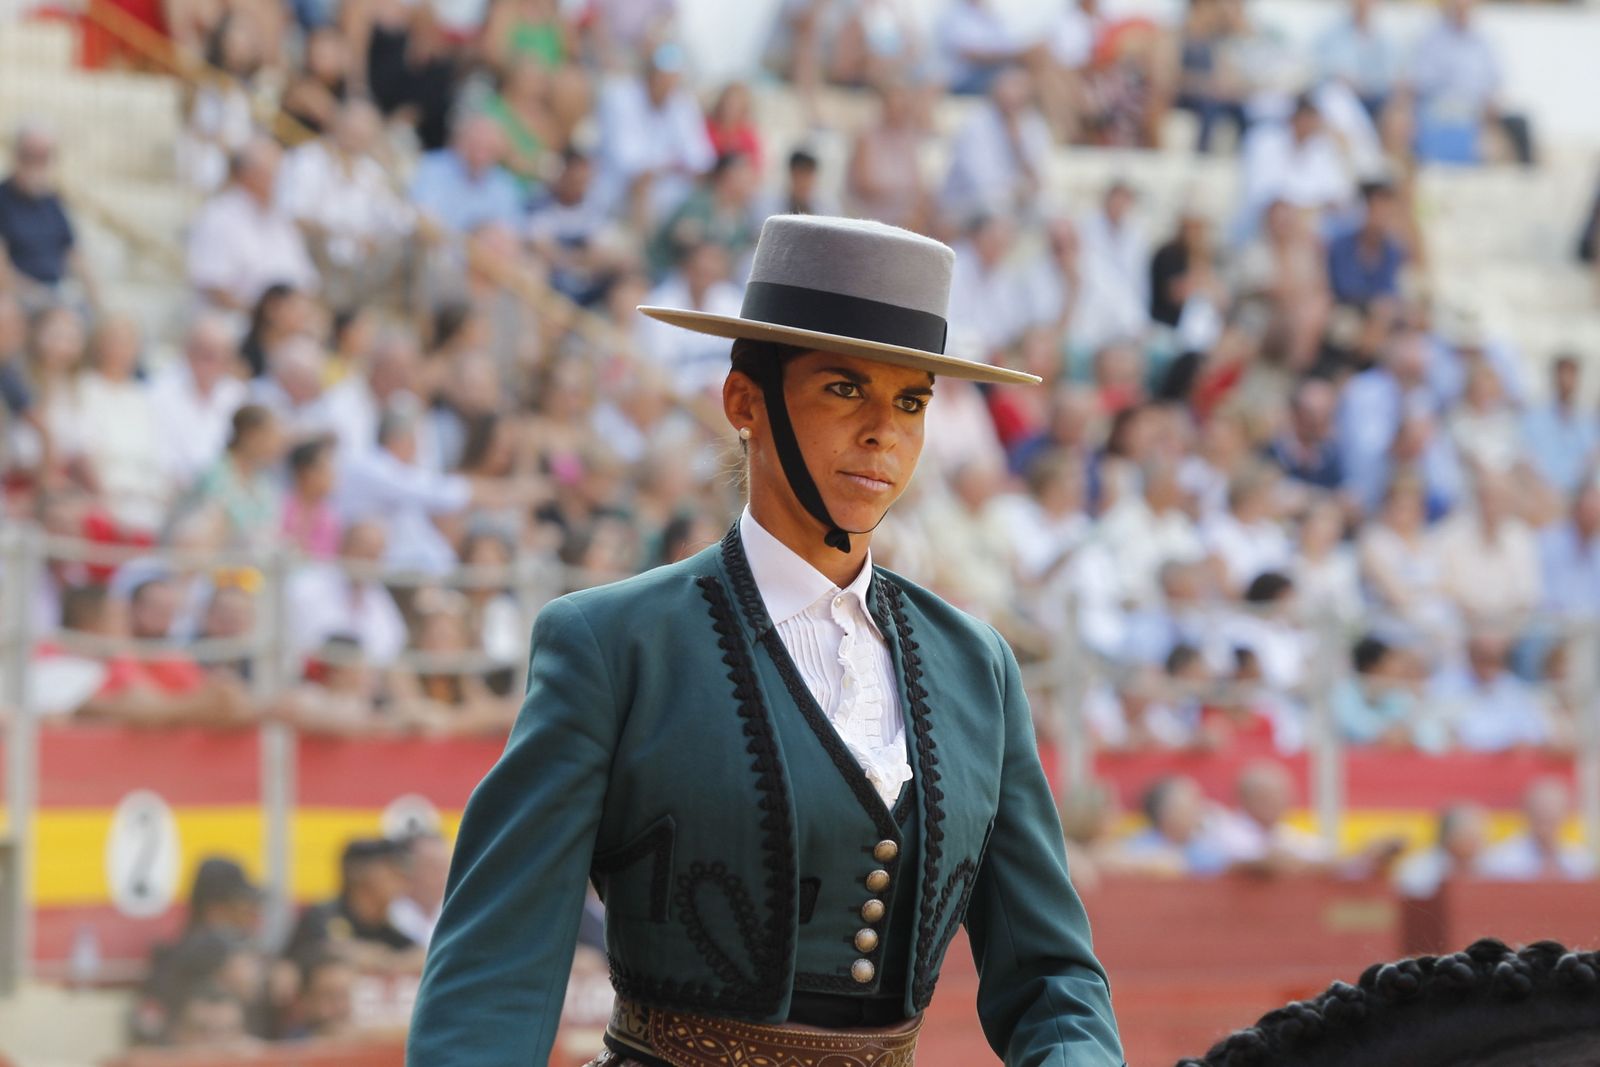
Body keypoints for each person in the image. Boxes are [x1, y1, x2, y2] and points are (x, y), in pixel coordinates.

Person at [408, 216, 1124, 1065]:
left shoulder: (978, 668)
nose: (882, 433)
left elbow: (1054, 982)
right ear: (744, 401)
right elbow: (495, 972)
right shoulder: (611, 646)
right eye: (844, 388)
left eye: (911, 400)